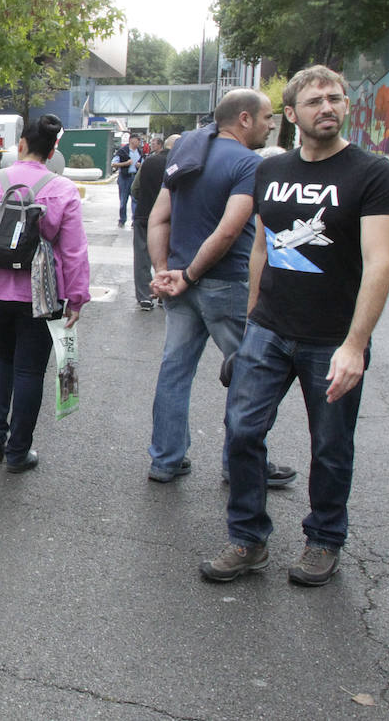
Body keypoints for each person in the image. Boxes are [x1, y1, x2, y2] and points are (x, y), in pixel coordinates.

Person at [201, 66, 389, 586]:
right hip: (268, 329)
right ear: (291, 114)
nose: (327, 107)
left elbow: (379, 264)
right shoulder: (270, 171)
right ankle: (248, 539)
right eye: (314, 101)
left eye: (335, 98)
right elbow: (262, 250)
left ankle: (324, 539)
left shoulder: (371, 174)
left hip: (333, 337)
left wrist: (355, 346)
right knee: (243, 432)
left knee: (330, 447)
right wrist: (250, 325)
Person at [145, 89, 297, 487]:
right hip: (224, 284)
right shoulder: (250, 165)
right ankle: (241, 466)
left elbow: (158, 218)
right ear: (244, 119)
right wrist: (190, 275)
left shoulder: (184, 155)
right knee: (250, 374)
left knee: (174, 370)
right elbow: (230, 230)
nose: (270, 125)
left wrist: (165, 271)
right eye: (267, 117)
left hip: (179, 282)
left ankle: (165, 459)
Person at [0, 114, 90, 471]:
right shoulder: (62, 190)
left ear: (21, 146)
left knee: (1, 359)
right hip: (41, 299)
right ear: (52, 149)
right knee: (29, 372)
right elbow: (74, 251)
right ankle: (18, 452)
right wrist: (76, 297)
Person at [131, 134, 172, 310]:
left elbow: (135, 189)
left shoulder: (149, 162)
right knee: (170, 254)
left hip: (144, 215)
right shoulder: (182, 165)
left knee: (142, 256)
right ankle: (165, 294)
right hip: (171, 218)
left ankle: (145, 296)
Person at [111, 134, 143, 227]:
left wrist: (140, 166)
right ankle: (122, 219)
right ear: (132, 140)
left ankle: (134, 220)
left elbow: (144, 163)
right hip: (124, 178)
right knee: (123, 200)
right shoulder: (123, 151)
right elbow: (113, 164)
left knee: (135, 200)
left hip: (135, 178)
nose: (139, 142)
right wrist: (126, 163)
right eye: (138, 140)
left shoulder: (139, 152)